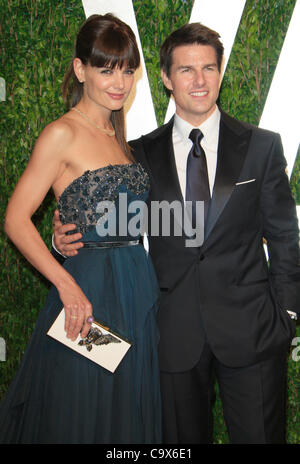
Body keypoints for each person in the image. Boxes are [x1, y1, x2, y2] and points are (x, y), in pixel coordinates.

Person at [52, 22, 300, 444]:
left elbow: (284, 239)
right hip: (171, 336)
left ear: (221, 72)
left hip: (254, 335)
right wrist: (64, 239)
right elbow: (113, 226)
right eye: (186, 70)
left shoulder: (261, 147)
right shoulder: (138, 154)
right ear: (166, 78)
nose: (199, 80)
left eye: (208, 68)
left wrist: (287, 318)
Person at [0, 14, 162, 444]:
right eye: (106, 68)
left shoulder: (116, 134)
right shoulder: (61, 134)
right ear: (80, 69)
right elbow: (15, 219)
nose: (120, 82)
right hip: (88, 296)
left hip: (133, 289)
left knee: (122, 415)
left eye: (127, 70)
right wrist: (66, 285)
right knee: (84, 414)